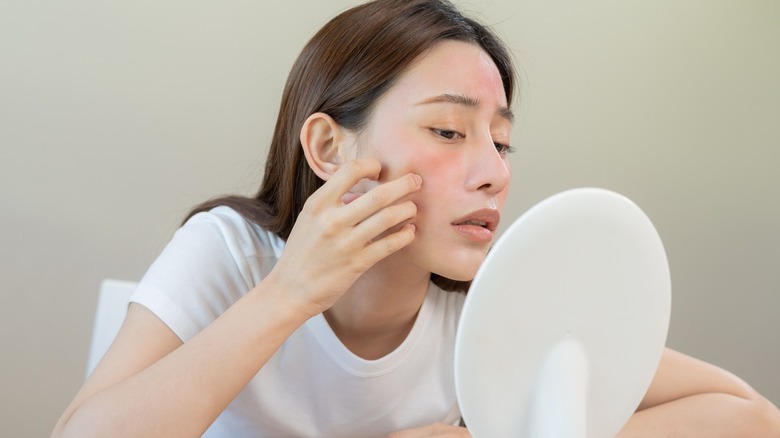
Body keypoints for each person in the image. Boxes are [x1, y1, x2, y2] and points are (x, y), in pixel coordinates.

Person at [53, 0, 780, 436]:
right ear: (329, 147)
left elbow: (750, 418)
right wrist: (288, 297)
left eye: (501, 139)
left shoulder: (495, 310)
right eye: (447, 131)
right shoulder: (231, 256)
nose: (494, 169)